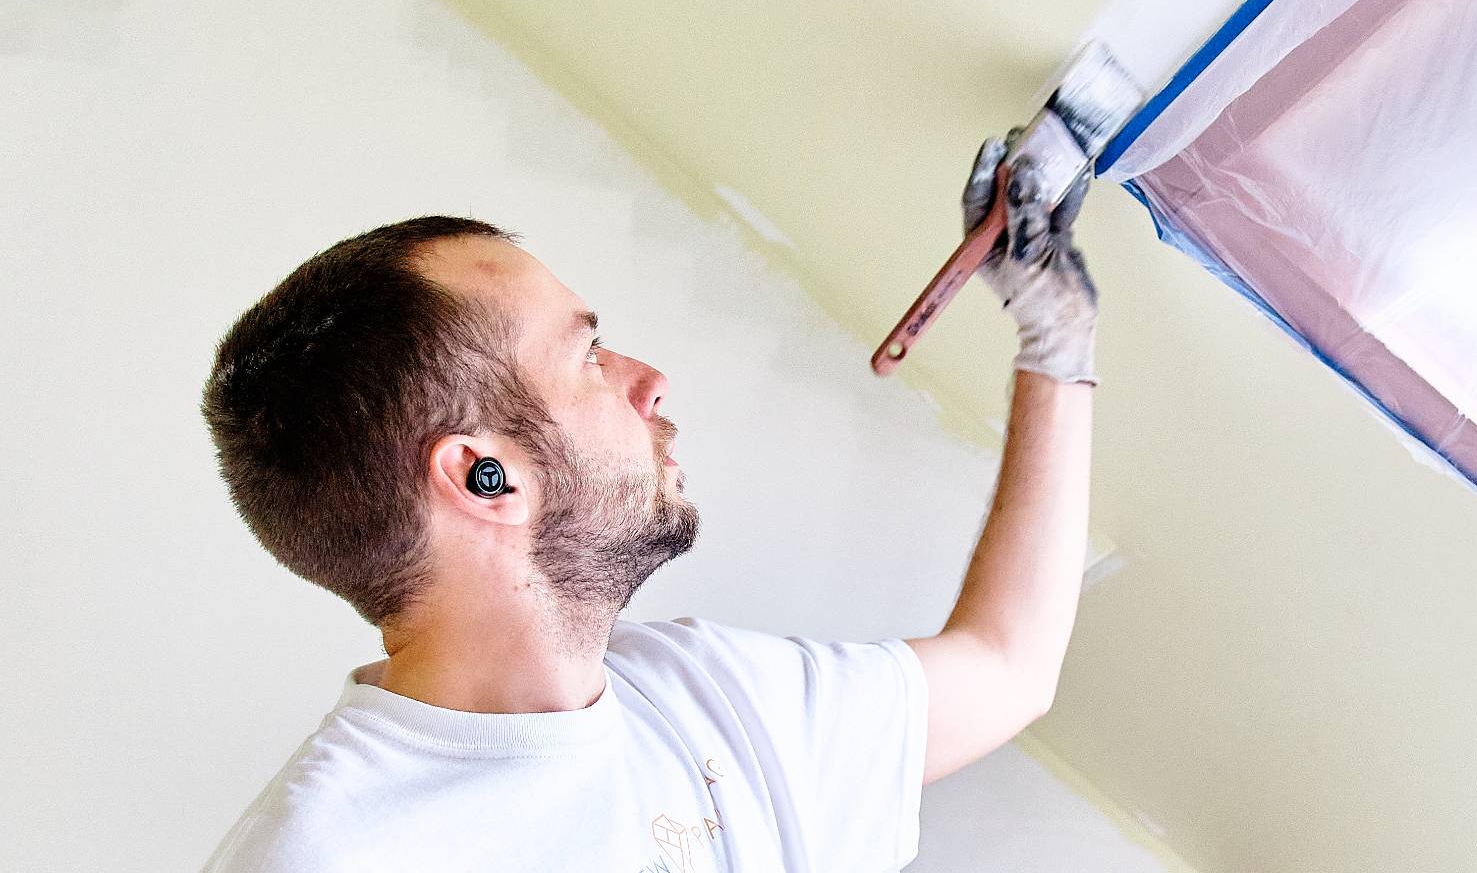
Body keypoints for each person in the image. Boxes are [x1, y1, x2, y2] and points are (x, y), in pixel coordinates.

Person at [199, 135, 1098, 872]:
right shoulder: (333, 854)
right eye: (589, 355)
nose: (652, 382)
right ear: (487, 476)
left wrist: (1056, 341)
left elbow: (1006, 666)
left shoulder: (705, 696)